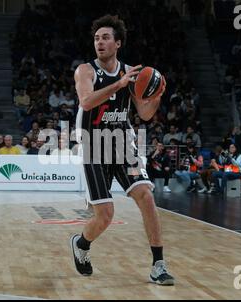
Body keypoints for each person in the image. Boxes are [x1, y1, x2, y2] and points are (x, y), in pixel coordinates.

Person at [70, 15, 174, 285]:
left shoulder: (131, 73)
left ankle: (158, 264)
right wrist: (118, 84)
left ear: (117, 43)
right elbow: (86, 101)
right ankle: (81, 244)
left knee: (146, 197)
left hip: (122, 146)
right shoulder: (86, 71)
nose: (99, 42)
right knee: (105, 216)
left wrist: (157, 94)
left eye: (105, 38)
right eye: (96, 38)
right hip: (94, 146)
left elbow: (145, 114)